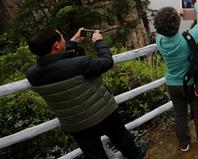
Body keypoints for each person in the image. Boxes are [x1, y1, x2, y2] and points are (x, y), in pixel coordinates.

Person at [26, 28, 145, 159]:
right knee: (122, 139)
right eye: (62, 37)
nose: (64, 39)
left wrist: (73, 41)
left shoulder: (32, 75)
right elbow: (107, 62)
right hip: (102, 112)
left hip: (76, 124)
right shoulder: (80, 63)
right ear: (56, 45)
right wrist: (98, 42)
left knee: (94, 154)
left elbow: (57, 61)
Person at [154, 0, 198, 154]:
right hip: (192, 84)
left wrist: (175, 16)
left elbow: (162, 29)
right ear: (177, 24)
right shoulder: (187, 39)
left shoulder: (159, 40)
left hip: (173, 85)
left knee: (180, 115)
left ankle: (184, 143)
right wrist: (197, 7)